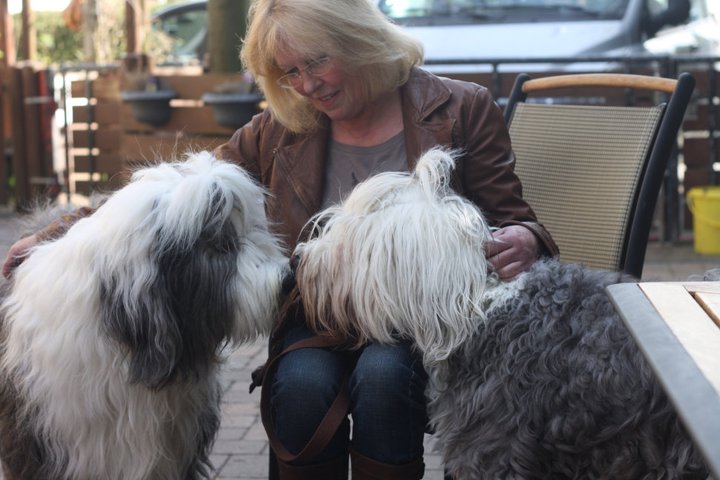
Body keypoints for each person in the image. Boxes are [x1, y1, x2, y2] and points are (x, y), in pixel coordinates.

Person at [2, 0, 559, 477]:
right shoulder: (279, 127)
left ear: (359, 39)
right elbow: (170, 198)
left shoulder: (461, 107)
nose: (307, 85)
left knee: (385, 378)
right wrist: (58, 233)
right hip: (312, 311)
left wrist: (526, 238)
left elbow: (512, 216)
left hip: (413, 317)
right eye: (289, 72)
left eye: (317, 61)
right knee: (301, 387)